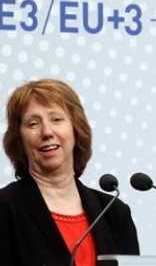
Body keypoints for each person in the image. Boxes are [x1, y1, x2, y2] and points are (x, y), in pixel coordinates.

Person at [0, 78, 140, 265]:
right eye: (33, 124)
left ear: (76, 129)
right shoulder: (4, 209)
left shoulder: (114, 213)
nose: (47, 132)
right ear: (19, 140)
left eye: (56, 119)